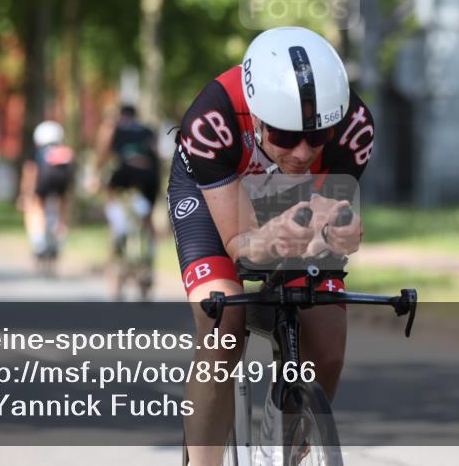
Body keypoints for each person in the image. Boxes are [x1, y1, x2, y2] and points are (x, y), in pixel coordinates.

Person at [168, 26, 375, 465]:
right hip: (218, 195)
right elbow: (241, 244)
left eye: (316, 136)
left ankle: (284, 448)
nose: (302, 151)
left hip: (289, 196)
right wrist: (266, 240)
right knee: (222, 326)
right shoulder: (212, 118)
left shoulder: (354, 127)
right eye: (284, 135)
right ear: (257, 117)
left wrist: (338, 232)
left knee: (327, 345)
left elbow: (327, 217)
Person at [95, 104, 159, 262]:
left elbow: (103, 152)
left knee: (110, 193)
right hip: (149, 173)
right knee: (148, 216)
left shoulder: (114, 128)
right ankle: (151, 250)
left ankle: (118, 228)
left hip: (125, 170)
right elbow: (156, 155)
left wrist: (97, 172)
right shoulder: (147, 130)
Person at [18, 121, 75, 265]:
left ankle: (39, 242)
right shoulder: (66, 152)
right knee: (62, 209)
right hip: (61, 185)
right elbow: (71, 176)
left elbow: (30, 172)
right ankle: (60, 236)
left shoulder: (38, 153)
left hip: (43, 183)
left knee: (35, 207)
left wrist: (26, 194)